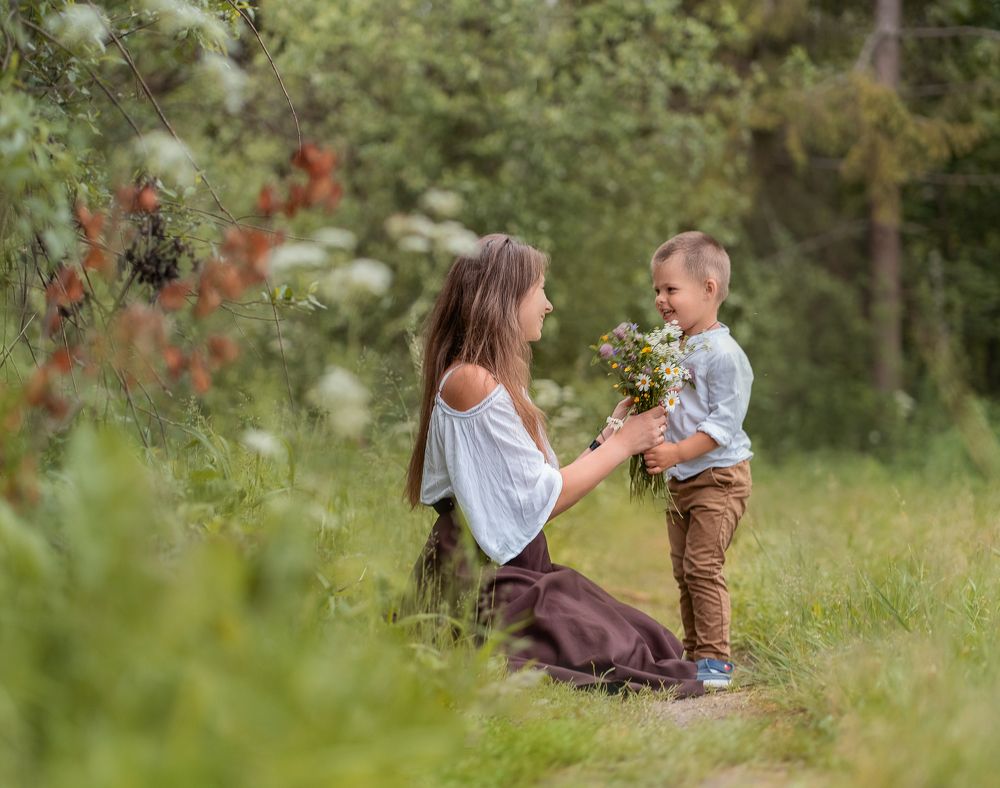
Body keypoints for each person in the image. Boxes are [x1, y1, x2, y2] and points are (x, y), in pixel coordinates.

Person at [404, 233, 704, 696]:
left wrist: (609, 435)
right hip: (481, 578)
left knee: (647, 638)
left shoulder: (490, 379)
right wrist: (624, 444)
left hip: (518, 567)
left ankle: (704, 668)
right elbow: (541, 500)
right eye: (540, 289)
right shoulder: (471, 382)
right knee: (616, 652)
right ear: (507, 297)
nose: (548, 304)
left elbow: (539, 493)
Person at [641, 231, 753, 689]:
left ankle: (715, 659)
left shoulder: (724, 355)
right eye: (657, 291)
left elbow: (721, 427)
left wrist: (673, 452)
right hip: (682, 477)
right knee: (682, 569)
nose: (661, 300)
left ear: (708, 289)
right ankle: (693, 653)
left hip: (719, 478)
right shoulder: (677, 344)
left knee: (703, 566)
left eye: (671, 290)